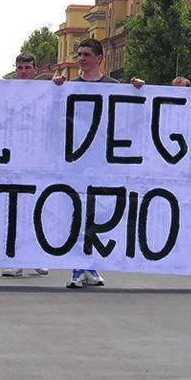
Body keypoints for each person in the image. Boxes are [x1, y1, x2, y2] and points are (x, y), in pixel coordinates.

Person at [53, 39, 144, 288]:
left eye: (86, 54)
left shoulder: (115, 87)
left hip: (104, 160)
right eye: (79, 54)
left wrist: (138, 89)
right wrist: (55, 91)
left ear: (99, 58)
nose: (81, 58)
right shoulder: (68, 87)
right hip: (76, 160)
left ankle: (91, 264)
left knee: (100, 212)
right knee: (77, 211)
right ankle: (77, 267)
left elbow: (134, 116)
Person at [2, 52, 50, 279]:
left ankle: (37, 256)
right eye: (19, 68)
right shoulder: (5, 94)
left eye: (27, 68)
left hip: (39, 162)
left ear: (35, 69)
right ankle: (15, 259)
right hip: (13, 161)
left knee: (39, 210)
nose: (23, 72)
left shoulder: (48, 93)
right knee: (15, 212)